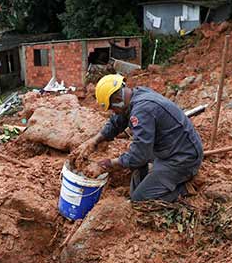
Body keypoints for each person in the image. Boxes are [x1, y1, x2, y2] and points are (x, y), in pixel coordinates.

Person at [72, 74, 203, 202]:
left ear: (117, 99)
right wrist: (95, 140)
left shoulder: (142, 110)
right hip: (171, 147)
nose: (113, 112)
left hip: (183, 158)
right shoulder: (136, 96)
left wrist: (107, 164)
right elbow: (117, 121)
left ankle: (183, 190)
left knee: (139, 198)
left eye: (112, 108)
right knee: (137, 164)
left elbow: (140, 154)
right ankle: (154, 178)